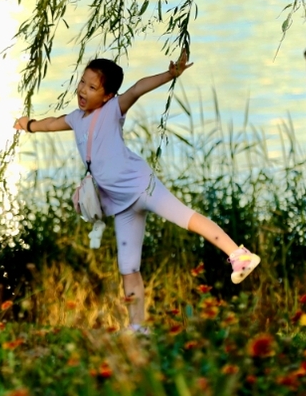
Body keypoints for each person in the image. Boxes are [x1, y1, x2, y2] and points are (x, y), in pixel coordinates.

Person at [13, 49, 259, 332]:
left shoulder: (112, 110)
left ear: (107, 96)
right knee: (128, 267)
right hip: (121, 204)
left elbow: (138, 89)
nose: (83, 90)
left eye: (92, 87)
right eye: (82, 82)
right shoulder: (75, 118)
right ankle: (137, 328)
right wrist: (29, 125)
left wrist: (171, 74)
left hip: (143, 187)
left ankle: (239, 255)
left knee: (186, 218)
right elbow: (51, 123)